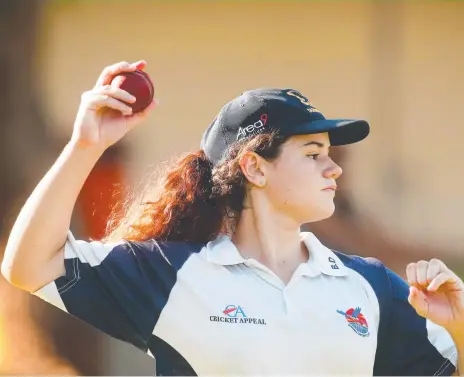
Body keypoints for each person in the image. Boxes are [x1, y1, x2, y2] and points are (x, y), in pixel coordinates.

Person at [2, 60, 463, 376]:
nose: (334, 167)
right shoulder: (171, 274)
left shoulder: (374, 286)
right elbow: (28, 266)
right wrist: (87, 145)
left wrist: (459, 326)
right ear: (254, 167)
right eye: (313, 152)